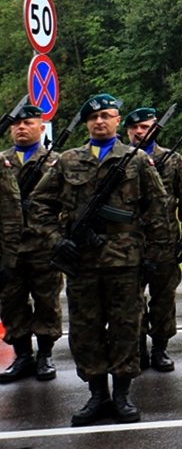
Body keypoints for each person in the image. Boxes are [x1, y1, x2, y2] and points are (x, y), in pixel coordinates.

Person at [28, 94, 174, 426]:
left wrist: (155, 255)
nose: (99, 121)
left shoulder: (137, 160)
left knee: (126, 327)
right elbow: (39, 205)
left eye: (106, 116)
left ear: (117, 120)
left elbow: (157, 210)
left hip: (126, 261)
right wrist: (57, 240)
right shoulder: (68, 161)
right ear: (86, 123)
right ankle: (97, 394)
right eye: (93, 117)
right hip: (82, 262)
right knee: (85, 330)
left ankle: (122, 394)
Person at [124, 107, 182, 372]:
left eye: (144, 127)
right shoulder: (121, 160)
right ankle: (138, 348)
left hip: (165, 242)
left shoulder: (173, 160)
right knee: (132, 299)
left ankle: (160, 348)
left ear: (155, 129)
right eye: (134, 128)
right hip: (128, 243)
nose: (139, 132)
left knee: (163, 299)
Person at [0, 109, 32, 383]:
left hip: (39, 243)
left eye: (28, 122)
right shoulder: (5, 158)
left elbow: (10, 210)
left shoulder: (55, 161)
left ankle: (44, 357)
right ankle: (23, 355)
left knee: (47, 302)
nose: (21, 127)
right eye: (16, 124)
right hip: (7, 247)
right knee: (11, 303)